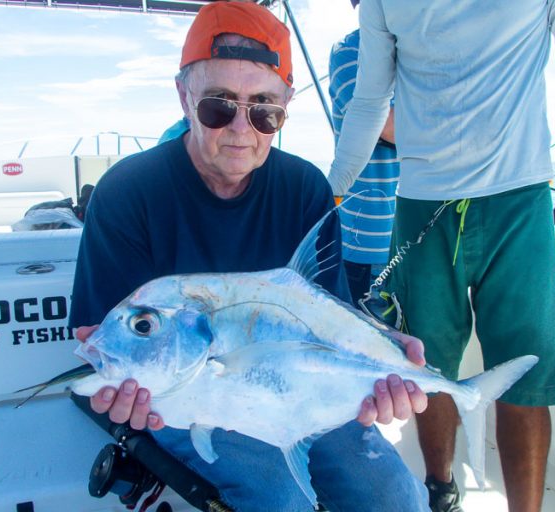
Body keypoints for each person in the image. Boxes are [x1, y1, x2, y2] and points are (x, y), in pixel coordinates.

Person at [69, 2, 429, 511]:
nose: (242, 129)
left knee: (393, 494)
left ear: (286, 107)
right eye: (219, 105)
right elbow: (104, 343)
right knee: (278, 497)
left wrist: (384, 353)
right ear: (183, 96)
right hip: (183, 402)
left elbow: (331, 323)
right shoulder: (127, 193)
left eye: (265, 111)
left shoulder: (305, 188)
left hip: (296, 391)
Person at [327, 1, 555, 511]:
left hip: (519, 200)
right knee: (426, 366)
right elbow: (370, 99)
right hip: (421, 207)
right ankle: (441, 488)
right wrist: (332, 192)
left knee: (526, 375)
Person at [329, 0, 398, 308]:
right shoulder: (349, 51)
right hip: (363, 249)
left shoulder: (422, 56)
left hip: (418, 242)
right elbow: (389, 127)